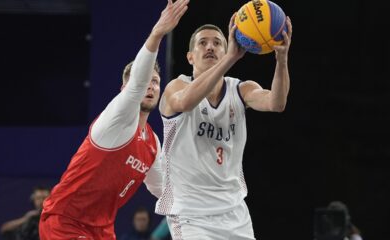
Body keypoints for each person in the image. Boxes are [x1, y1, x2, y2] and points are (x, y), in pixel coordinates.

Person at [38, 0, 189, 239]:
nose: (150, 86)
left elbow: (164, 191)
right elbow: (137, 83)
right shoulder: (116, 118)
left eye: (156, 82)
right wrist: (157, 34)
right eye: (145, 80)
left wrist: (203, 207)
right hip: (65, 221)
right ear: (124, 89)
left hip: (102, 230)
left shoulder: (152, 143)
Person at [155, 12, 292, 240]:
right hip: (190, 213)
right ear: (190, 57)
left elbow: (276, 103)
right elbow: (186, 103)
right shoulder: (176, 87)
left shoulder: (240, 90)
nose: (210, 47)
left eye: (218, 43)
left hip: (234, 211)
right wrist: (229, 59)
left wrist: (282, 61)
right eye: (203, 43)